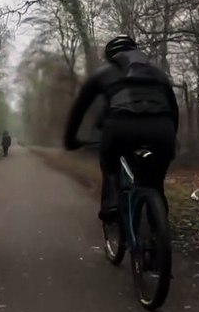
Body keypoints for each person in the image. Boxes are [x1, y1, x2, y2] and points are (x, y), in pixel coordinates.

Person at [63, 35, 179, 222]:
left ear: (111, 56)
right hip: (162, 128)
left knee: (110, 165)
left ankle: (112, 203)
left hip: (121, 128)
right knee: (156, 181)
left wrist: (70, 141)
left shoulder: (103, 74)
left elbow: (79, 110)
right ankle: (158, 221)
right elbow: (173, 110)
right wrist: (172, 138)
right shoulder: (157, 74)